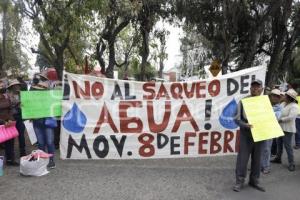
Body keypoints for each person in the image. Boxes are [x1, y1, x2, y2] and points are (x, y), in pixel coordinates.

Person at [233, 79, 265, 192]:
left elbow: (270, 119)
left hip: (261, 133)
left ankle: (254, 181)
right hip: (246, 134)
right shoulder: (243, 101)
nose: (255, 89)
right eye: (253, 87)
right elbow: (236, 118)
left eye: (257, 87)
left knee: (258, 159)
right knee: (242, 159)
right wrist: (244, 124)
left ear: (262, 89)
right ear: (250, 88)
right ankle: (239, 181)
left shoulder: (265, 102)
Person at [271, 89, 299, 171]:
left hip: (288, 129)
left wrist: (281, 120)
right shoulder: (283, 103)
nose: (284, 96)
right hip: (280, 127)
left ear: (290, 97)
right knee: (279, 144)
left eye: (286, 95)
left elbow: (291, 117)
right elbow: (277, 110)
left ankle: (292, 163)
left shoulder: (294, 106)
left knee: (288, 146)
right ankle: (278, 158)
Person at [31, 81, 56, 169]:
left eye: (42, 89)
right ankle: (42, 160)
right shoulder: (32, 98)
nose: (40, 90)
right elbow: (29, 109)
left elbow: (55, 108)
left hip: (47, 122)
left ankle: (51, 160)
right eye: (39, 89)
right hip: (37, 122)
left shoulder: (51, 98)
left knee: (49, 142)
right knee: (41, 143)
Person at [260, 89, 282, 174]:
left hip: (269, 130)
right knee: (258, 149)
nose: (275, 97)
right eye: (273, 95)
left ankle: (266, 166)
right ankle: (257, 165)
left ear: (279, 98)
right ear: (270, 96)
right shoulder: (264, 104)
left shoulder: (279, 107)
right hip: (260, 129)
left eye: (277, 96)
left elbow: (276, 117)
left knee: (266, 149)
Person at [0, 79, 18, 166]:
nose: (2, 87)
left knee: (10, 141)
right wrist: (3, 122)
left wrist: (10, 119)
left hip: (9, 122)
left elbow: (11, 108)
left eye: (3, 86)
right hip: (1, 123)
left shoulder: (6, 96)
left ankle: (10, 160)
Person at [7, 79, 26, 157]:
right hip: (12, 117)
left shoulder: (22, 94)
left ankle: (23, 151)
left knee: (21, 135)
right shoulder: (8, 95)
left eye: (18, 85)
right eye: (15, 85)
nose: (17, 86)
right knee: (11, 136)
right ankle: (11, 155)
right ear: (12, 87)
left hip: (20, 116)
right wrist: (16, 104)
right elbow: (7, 106)